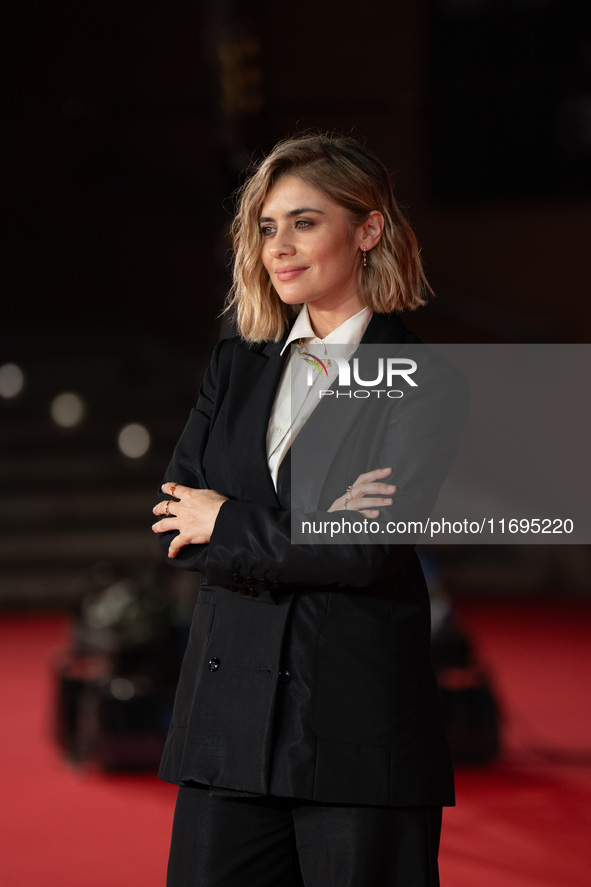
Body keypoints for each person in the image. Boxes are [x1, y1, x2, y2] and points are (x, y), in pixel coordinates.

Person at [151, 133, 467, 887]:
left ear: (367, 229)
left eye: (303, 221)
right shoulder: (234, 364)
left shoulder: (421, 378)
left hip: (355, 730)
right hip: (226, 727)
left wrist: (227, 519)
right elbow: (173, 522)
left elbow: (360, 550)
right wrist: (304, 527)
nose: (278, 247)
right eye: (266, 226)